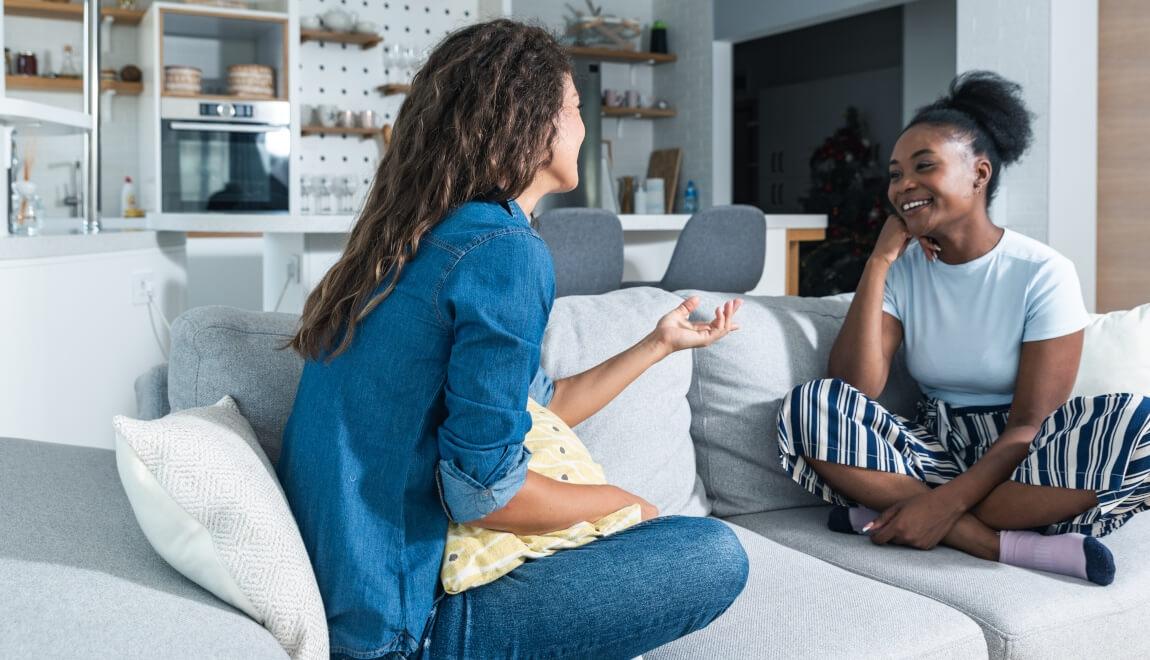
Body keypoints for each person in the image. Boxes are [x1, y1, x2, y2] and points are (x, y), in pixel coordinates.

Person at [277, 19, 748, 659]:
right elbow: (483, 493)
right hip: (405, 626)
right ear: (532, 125)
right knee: (715, 553)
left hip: (358, 601)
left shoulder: (418, 239)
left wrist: (657, 345)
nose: (583, 128)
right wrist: (621, 503)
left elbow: (533, 409)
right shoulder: (503, 250)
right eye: (576, 109)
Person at [777, 71, 1150, 586]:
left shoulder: (1042, 271)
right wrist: (881, 260)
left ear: (979, 174)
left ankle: (891, 512)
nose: (903, 184)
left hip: (1021, 458)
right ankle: (992, 542)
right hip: (935, 447)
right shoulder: (902, 270)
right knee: (812, 404)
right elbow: (855, 386)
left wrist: (943, 503)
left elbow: (1029, 424)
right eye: (894, 173)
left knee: (1145, 425)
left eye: (923, 166)